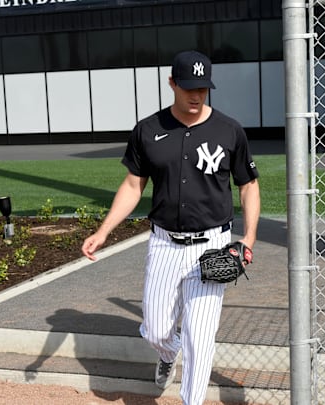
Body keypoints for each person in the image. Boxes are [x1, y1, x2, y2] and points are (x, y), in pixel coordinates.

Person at [81, 50, 260, 405]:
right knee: (156, 330)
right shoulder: (148, 130)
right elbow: (133, 186)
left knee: (200, 336)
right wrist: (103, 231)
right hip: (164, 244)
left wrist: (249, 238)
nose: (196, 96)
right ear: (172, 84)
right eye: (189, 87)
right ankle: (167, 353)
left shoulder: (229, 130)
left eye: (203, 89)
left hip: (212, 246)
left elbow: (248, 185)